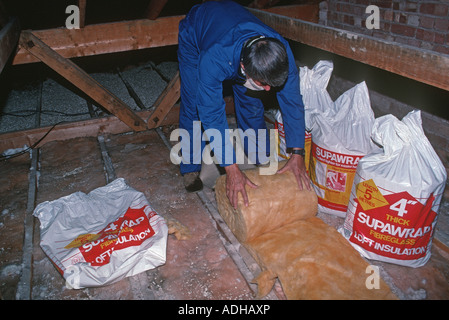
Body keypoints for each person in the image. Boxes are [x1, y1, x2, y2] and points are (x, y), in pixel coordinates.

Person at [177, 0, 310, 208]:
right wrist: (231, 168)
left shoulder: (281, 52)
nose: (269, 90)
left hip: (234, 28)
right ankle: (189, 165)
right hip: (197, 31)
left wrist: (297, 152)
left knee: (251, 103)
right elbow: (211, 114)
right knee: (194, 104)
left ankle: (258, 156)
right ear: (243, 67)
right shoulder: (213, 59)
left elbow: (292, 103)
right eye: (263, 83)